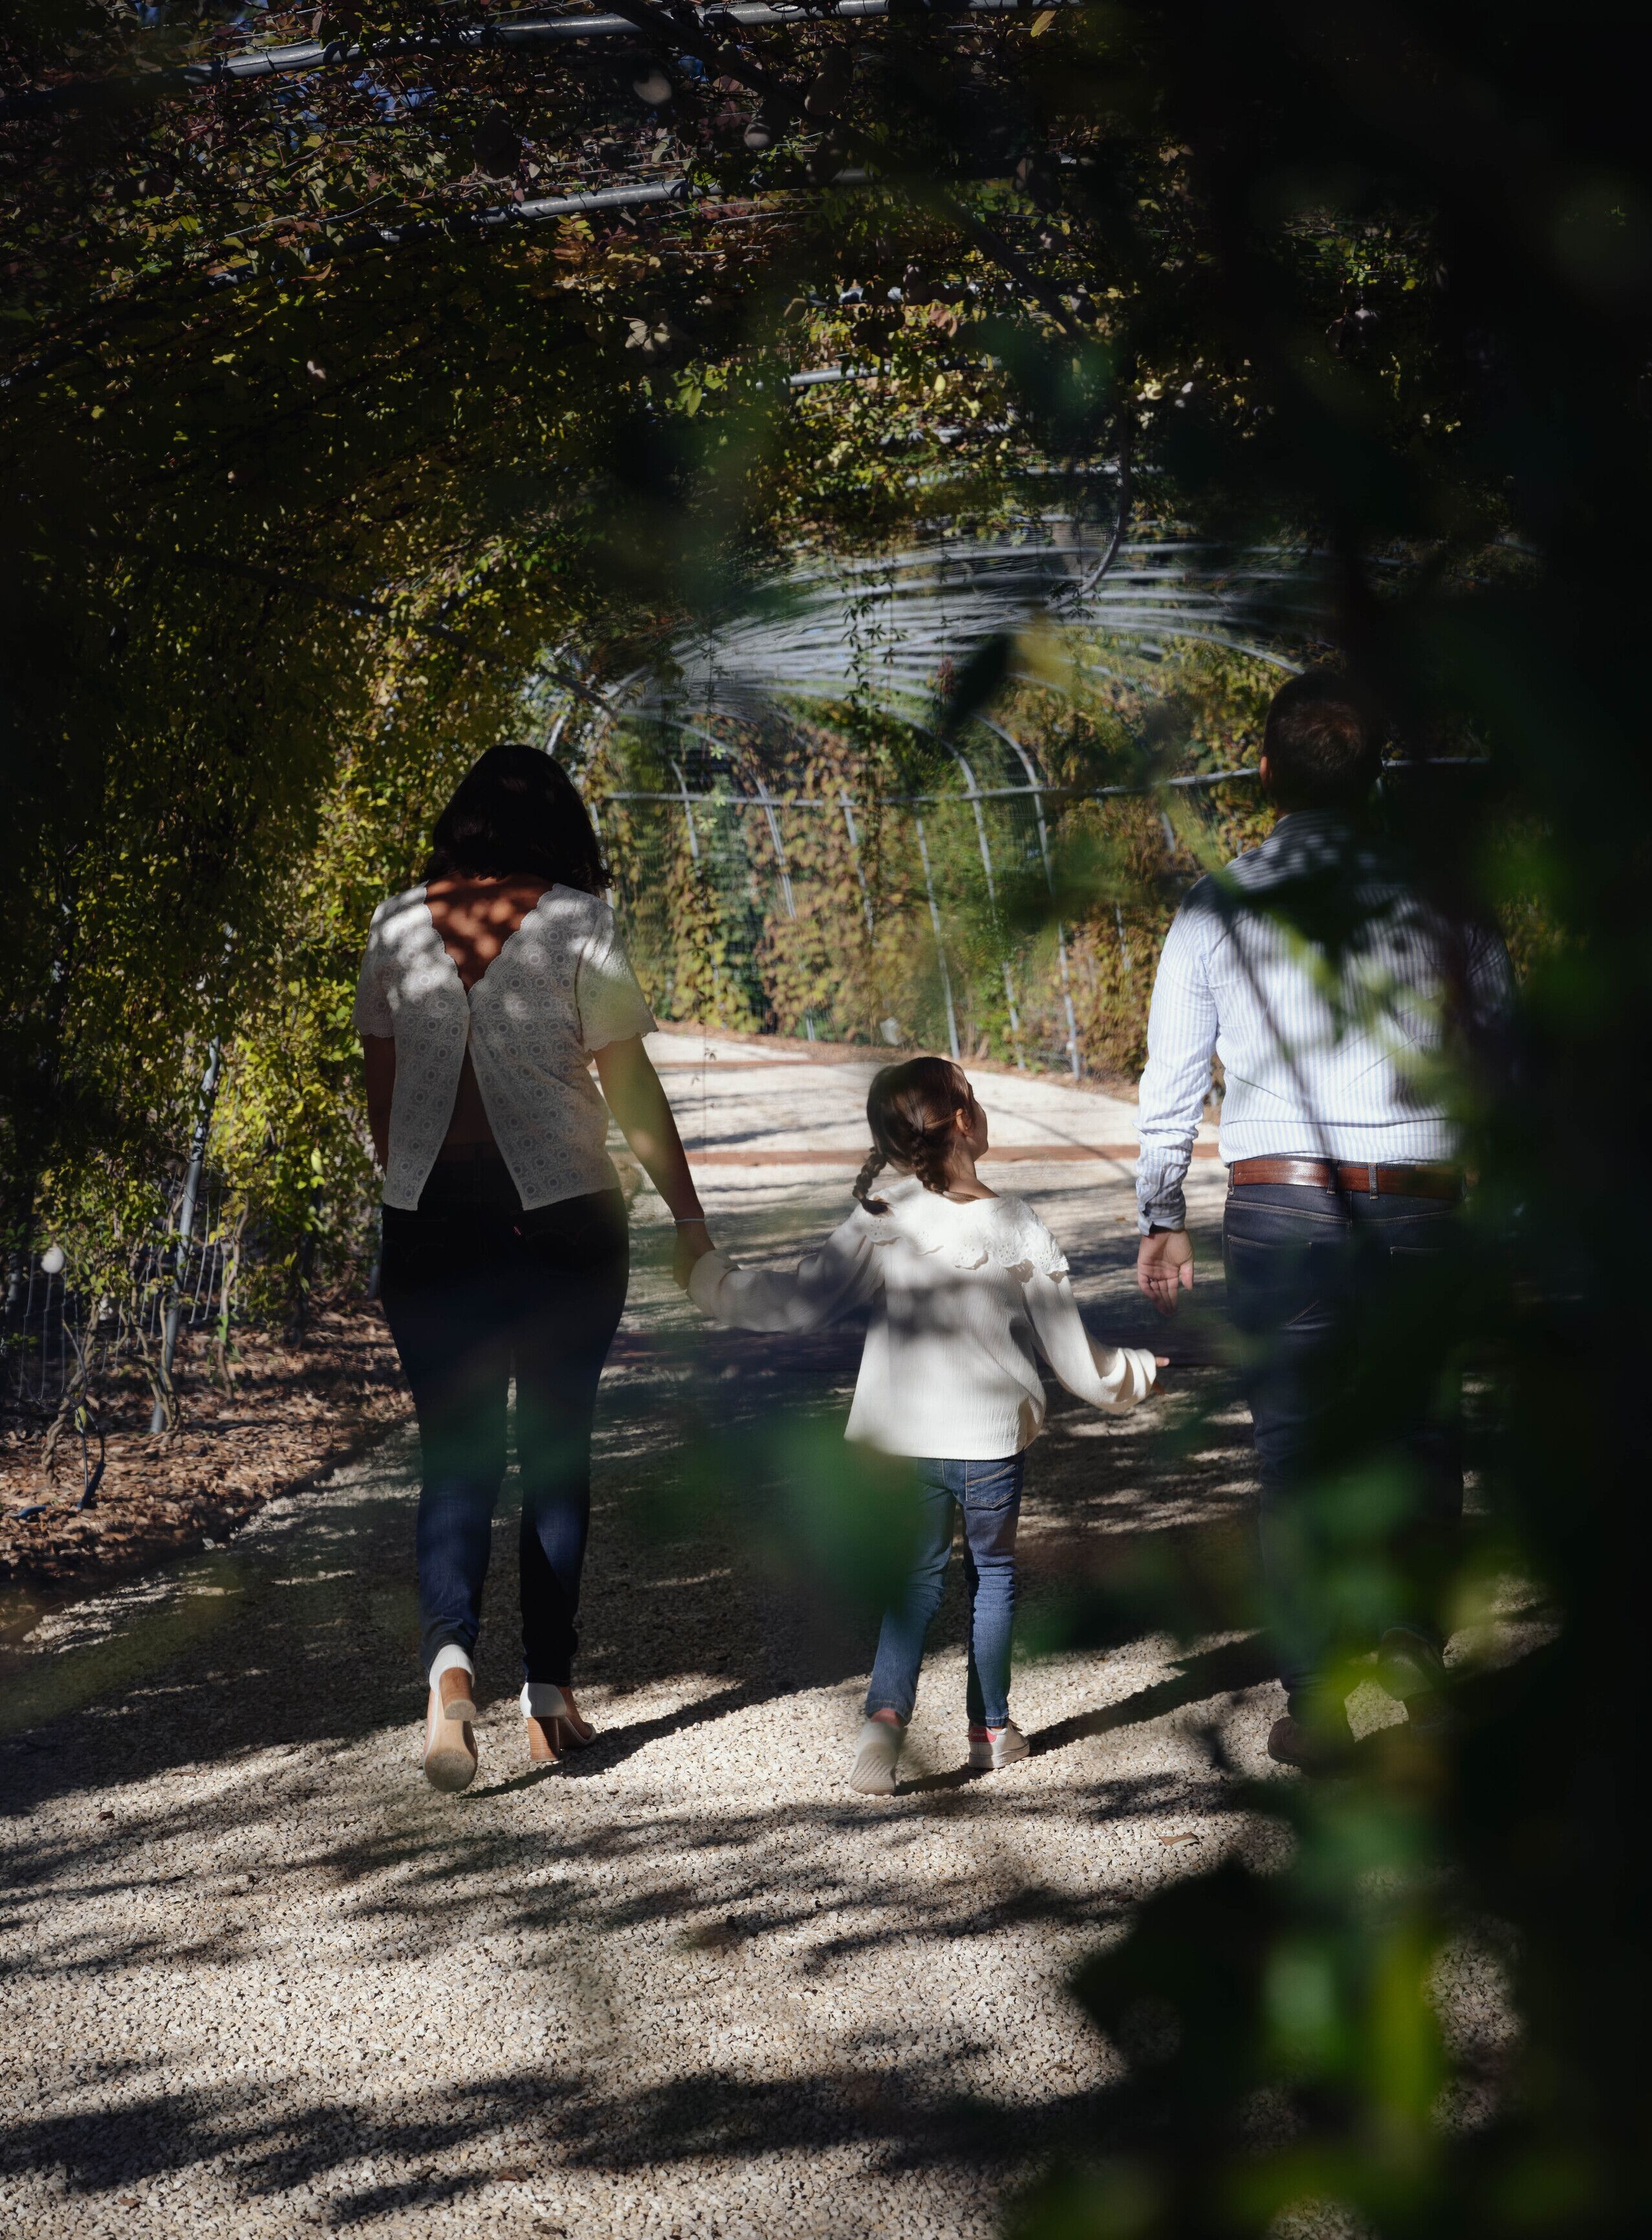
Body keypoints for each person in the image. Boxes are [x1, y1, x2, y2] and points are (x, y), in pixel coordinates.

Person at [1133, 671, 1512, 1768]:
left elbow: (1172, 1078)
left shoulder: (1218, 901)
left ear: (1261, 772)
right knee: (1424, 1443)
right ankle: (1414, 1661)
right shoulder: (1450, 901)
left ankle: (1311, 1698)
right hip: (1419, 1206)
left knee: (1291, 1453)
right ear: (1377, 776)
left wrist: (1159, 1213)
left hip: (1275, 1208)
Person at [355, 745, 713, 1794]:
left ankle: (449, 1673)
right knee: (556, 1449)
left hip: (428, 1222)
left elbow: (384, 1105)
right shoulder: (574, 923)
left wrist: (427, 1203)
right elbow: (632, 1091)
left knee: (455, 1455)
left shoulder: (392, 926)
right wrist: (690, 1222)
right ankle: (548, 1698)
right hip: (562, 1217)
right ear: (558, 830)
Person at [684, 1056, 1160, 1793]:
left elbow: (800, 1302)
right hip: (991, 1445)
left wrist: (711, 1283)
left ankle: (883, 1724)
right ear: (963, 1120)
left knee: (911, 1581)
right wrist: (1138, 1370)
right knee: (994, 1576)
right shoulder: (1018, 1226)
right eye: (974, 1096)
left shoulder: (883, 1219)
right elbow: (1080, 1365)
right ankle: (990, 1732)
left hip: (901, 1440)